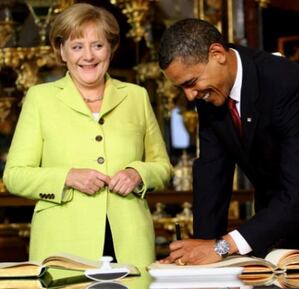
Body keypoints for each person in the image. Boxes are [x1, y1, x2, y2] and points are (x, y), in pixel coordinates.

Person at [157, 18, 299, 265]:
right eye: (181, 87)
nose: (190, 95)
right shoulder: (210, 94)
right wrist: (198, 254)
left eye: (191, 83)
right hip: (281, 229)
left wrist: (221, 247)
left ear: (217, 54)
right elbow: (212, 176)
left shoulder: (288, 83)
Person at [3, 3, 172, 270]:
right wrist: (67, 177)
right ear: (62, 51)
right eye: (77, 46)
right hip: (61, 243)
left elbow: (162, 167)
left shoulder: (136, 96)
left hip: (129, 243)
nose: (89, 56)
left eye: (98, 45)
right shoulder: (40, 98)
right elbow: (14, 175)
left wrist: (137, 173)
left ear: (111, 48)